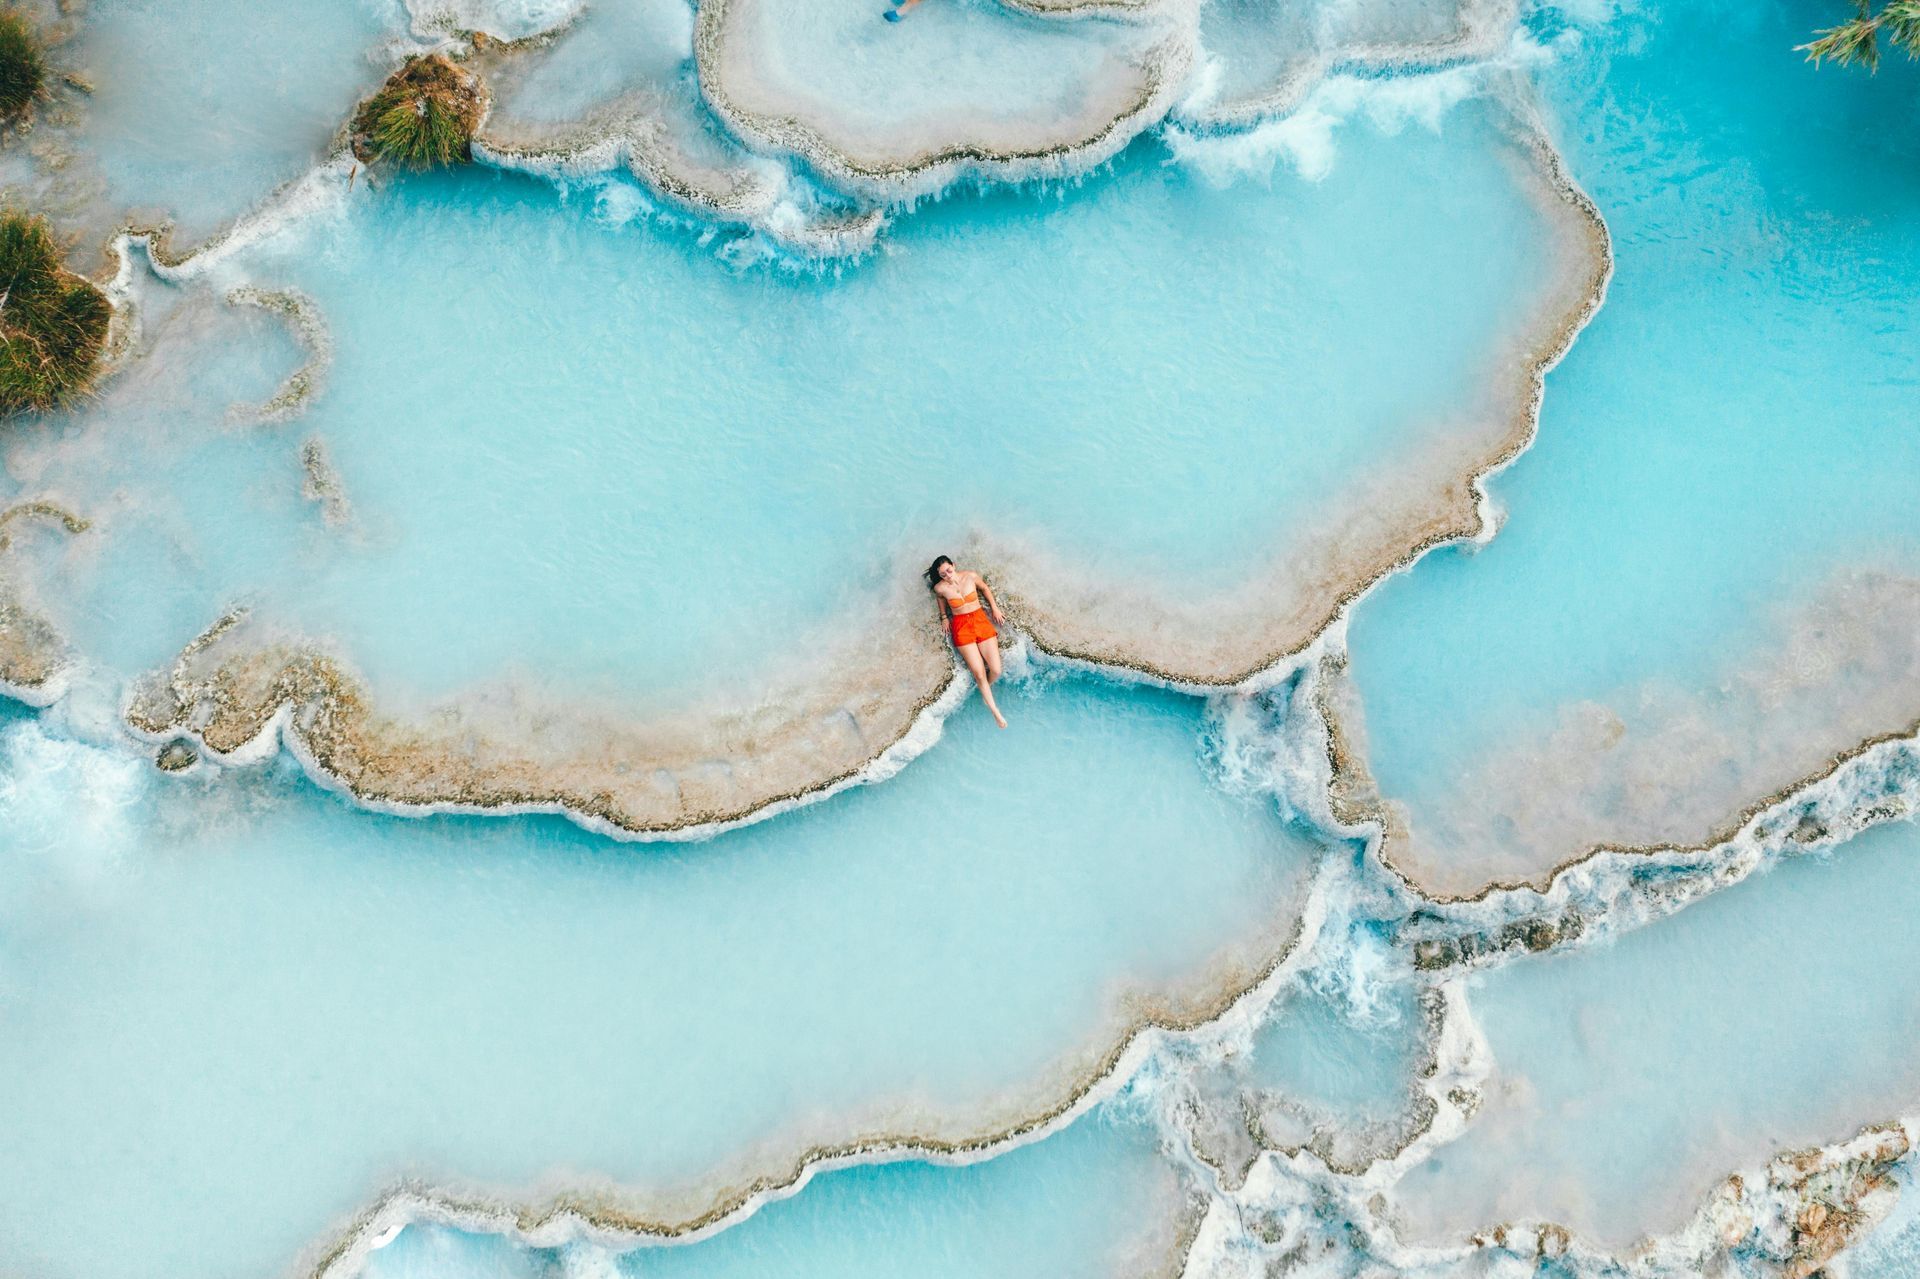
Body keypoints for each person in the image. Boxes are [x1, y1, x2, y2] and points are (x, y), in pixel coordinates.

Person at [926, 555, 1007, 728]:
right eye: (943, 574)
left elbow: (984, 588)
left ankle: (985, 688)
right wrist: (944, 617)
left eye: (949, 570)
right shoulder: (940, 588)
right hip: (961, 627)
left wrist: (995, 608)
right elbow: (941, 600)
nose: (947, 575)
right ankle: (995, 712)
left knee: (996, 670)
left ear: (954, 565)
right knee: (978, 673)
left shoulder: (970, 576)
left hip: (980, 621)